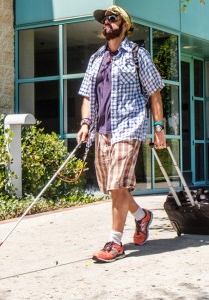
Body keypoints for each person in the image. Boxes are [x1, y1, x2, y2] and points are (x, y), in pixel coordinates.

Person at [76, 5, 166, 263]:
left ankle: (115, 243)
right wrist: (85, 123)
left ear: (125, 25)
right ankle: (142, 216)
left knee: (117, 185)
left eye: (112, 18)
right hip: (101, 131)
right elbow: (86, 95)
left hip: (129, 126)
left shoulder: (138, 55)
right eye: (105, 19)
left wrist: (158, 128)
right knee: (114, 188)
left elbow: (155, 93)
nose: (106, 22)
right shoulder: (96, 58)